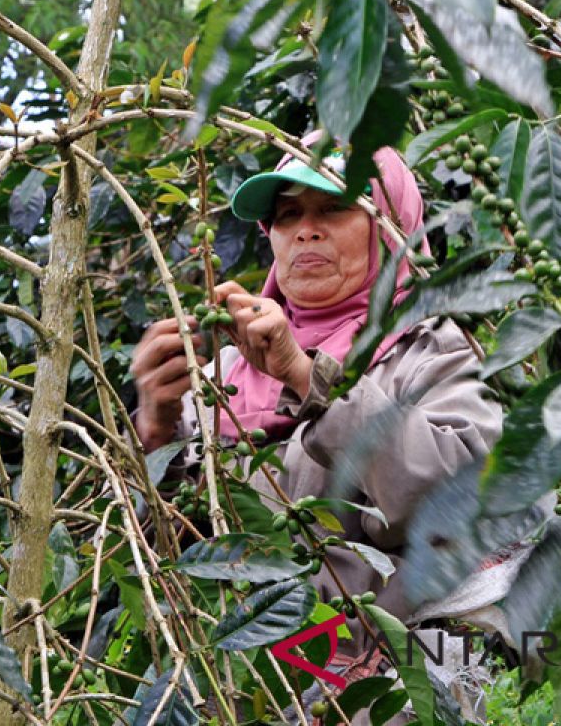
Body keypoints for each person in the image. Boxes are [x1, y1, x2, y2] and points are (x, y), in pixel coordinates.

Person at [130, 132, 506, 724]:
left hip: (387, 693)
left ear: (389, 225)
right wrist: (155, 429)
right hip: (243, 695)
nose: (305, 230)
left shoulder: (427, 350)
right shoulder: (221, 377)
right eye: (287, 214)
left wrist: (308, 378)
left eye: (334, 207)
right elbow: (164, 560)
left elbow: (456, 497)